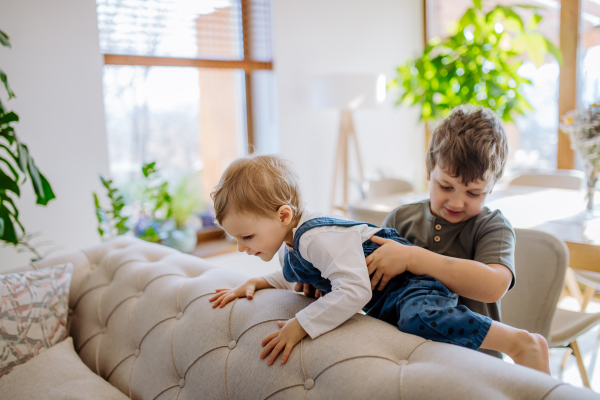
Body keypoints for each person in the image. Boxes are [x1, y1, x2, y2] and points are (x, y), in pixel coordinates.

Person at [208, 118, 549, 373]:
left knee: (420, 314)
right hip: (408, 349)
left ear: (493, 186)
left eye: (474, 193)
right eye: (446, 186)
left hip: (473, 354)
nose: (457, 201)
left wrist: (412, 256)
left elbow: (493, 286)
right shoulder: (400, 216)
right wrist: (265, 281)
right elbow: (358, 275)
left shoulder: (492, 225)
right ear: (429, 169)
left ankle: (521, 343)